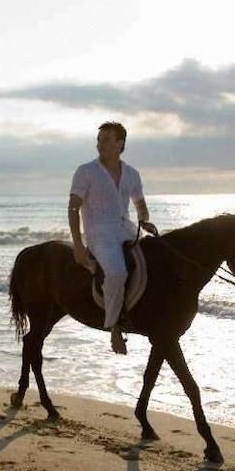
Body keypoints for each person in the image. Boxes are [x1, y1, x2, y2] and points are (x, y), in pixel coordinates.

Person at [68, 122, 156, 354]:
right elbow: (73, 208)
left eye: (106, 139)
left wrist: (145, 221)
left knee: (158, 255)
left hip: (125, 227)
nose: (100, 144)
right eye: (99, 140)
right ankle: (114, 327)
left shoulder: (131, 173)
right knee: (117, 272)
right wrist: (78, 244)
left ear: (120, 144)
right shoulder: (86, 171)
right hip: (99, 232)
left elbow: (140, 203)